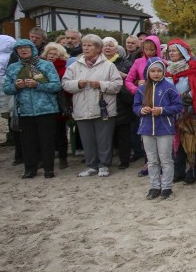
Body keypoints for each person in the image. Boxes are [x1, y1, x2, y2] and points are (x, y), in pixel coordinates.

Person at [61, 34, 124, 177]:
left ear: (98, 48)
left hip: (103, 108)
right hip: (82, 108)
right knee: (87, 138)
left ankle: (103, 165)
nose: (86, 48)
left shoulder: (108, 66)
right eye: (84, 45)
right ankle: (91, 165)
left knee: (104, 138)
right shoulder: (74, 65)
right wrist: (77, 84)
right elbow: (65, 83)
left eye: (90, 45)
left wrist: (101, 84)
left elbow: (117, 85)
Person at [2, 39, 62, 178]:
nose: (23, 50)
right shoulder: (12, 68)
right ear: (16, 51)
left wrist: (37, 85)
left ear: (32, 49)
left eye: (26, 48)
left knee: (47, 140)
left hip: (46, 109)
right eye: (20, 48)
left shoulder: (45, 65)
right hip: (24, 110)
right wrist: (16, 86)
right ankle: (30, 169)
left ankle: (49, 168)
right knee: (28, 141)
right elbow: (6, 89)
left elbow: (56, 85)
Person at [134, 58, 183, 199]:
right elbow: (135, 106)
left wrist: (162, 110)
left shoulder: (169, 87)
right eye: (153, 71)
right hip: (146, 129)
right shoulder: (142, 89)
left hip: (165, 129)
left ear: (163, 72)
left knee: (166, 159)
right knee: (152, 160)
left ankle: (167, 187)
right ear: (147, 72)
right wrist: (141, 110)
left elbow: (178, 106)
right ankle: (154, 186)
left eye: (159, 71)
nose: (156, 74)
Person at [165, 39, 196, 183]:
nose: (171, 53)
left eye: (174, 50)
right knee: (176, 144)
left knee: (190, 142)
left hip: (187, 111)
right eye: (169, 51)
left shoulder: (192, 68)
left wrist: (181, 98)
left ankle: (192, 172)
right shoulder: (168, 70)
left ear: (182, 52)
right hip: (171, 112)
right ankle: (178, 171)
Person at [102, 37, 135, 169]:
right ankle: (105, 160)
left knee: (123, 135)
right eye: (105, 46)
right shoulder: (98, 63)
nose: (107, 48)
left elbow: (131, 81)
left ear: (116, 49)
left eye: (110, 45)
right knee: (106, 135)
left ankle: (124, 160)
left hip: (121, 102)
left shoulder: (125, 64)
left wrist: (121, 78)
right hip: (103, 102)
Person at [41, 43, 70, 169]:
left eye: (54, 54)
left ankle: (63, 158)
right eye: (49, 54)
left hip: (59, 104)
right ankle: (45, 158)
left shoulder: (64, 69)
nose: (51, 56)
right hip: (43, 104)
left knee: (60, 133)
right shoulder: (40, 68)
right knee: (45, 134)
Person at [0, 35, 19, 157]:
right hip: (13, 88)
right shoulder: (13, 56)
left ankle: (12, 139)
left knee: (10, 116)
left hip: (6, 91)